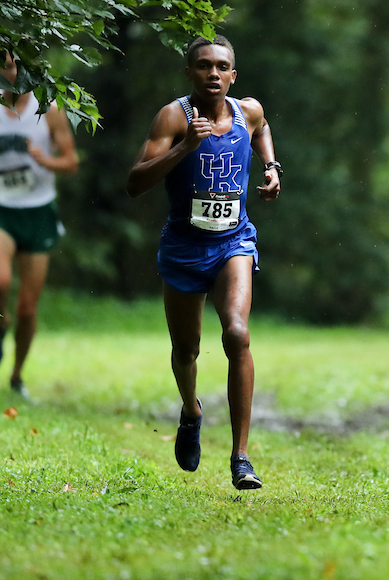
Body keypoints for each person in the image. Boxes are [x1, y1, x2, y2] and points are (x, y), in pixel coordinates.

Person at [126, 35, 281, 491]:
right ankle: (191, 412)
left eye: (222, 66)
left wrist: (272, 167)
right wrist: (182, 150)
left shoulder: (246, 111)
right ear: (189, 73)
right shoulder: (174, 117)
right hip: (183, 246)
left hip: (234, 240)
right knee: (187, 351)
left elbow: (263, 128)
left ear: (233, 75)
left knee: (237, 332)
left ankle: (241, 457)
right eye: (203, 66)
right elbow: (135, 183)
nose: (213, 73)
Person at [0, 54, 79, 397]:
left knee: (28, 307)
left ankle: (16, 375)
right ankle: (1, 321)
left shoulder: (49, 109)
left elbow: (71, 160)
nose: (11, 72)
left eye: (17, 66)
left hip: (38, 211)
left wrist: (47, 161)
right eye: (5, 66)